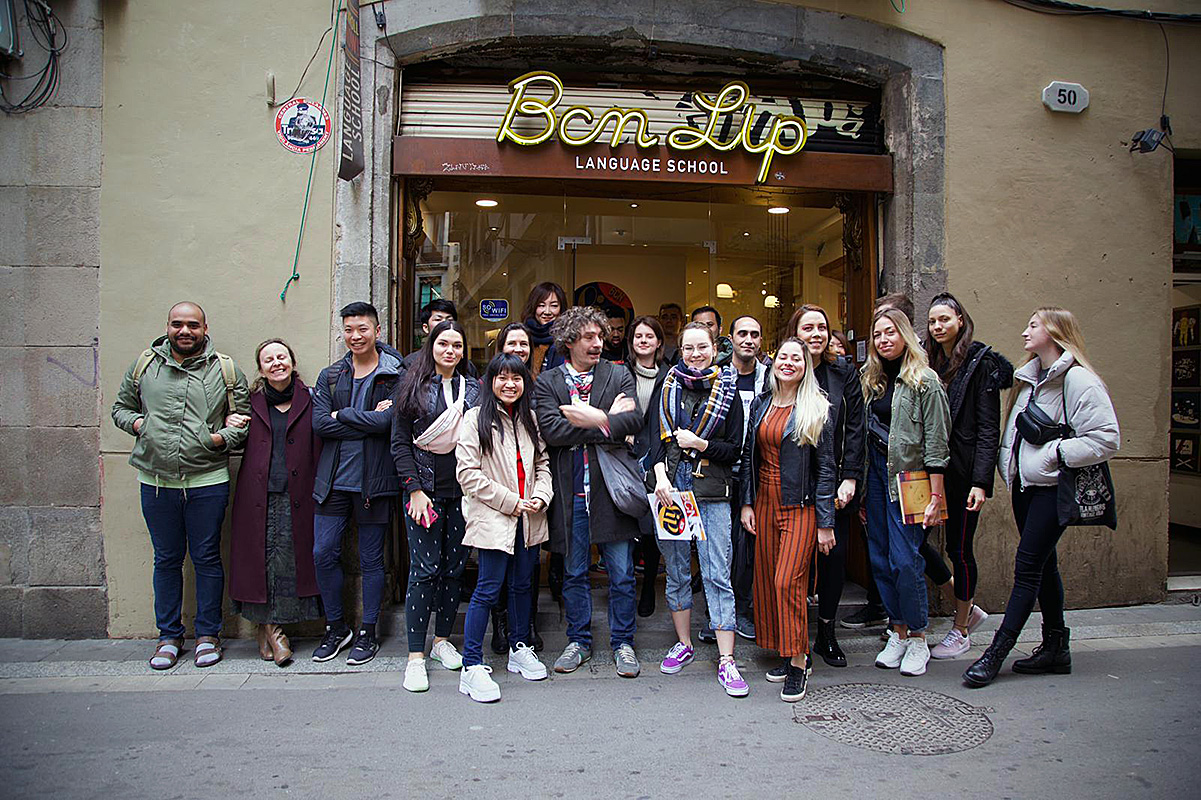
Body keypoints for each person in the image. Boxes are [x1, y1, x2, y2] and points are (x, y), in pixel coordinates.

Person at [964, 307, 1119, 687]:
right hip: (1025, 487)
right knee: (1045, 565)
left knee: (1028, 566)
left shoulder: (1078, 380)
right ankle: (1055, 647)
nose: (1024, 332)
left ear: (1055, 331)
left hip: (1053, 488)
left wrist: (1056, 455)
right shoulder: (1028, 378)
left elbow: (1107, 438)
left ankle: (996, 653)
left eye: (1033, 325)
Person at [111, 302, 250, 670]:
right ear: (168, 327)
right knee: (167, 559)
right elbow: (121, 408)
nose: (184, 331)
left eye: (192, 325)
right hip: (156, 481)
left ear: (205, 328)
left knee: (206, 558)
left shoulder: (224, 369)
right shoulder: (145, 365)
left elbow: (243, 419)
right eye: (177, 324)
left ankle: (208, 635)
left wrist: (217, 439)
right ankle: (169, 636)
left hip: (207, 480)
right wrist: (141, 425)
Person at [534, 306, 644, 678]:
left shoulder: (618, 373)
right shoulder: (548, 382)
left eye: (600, 336)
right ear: (569, 341)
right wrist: (607, 420)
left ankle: (623, 643)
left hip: (611, 491)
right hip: (570, 493)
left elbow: (634, 420)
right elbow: (552, 432)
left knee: (622, 573)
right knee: (574, 572)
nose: (598, 343)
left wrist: (591, 418)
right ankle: (578, 641)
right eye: (589, 337)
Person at [650, 323, 748, 696]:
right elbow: (654, 441)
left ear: (714, 348)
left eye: (702, 347)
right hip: (671, 490)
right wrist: (660, 476)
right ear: (680, 350)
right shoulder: (667, 385)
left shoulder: (728, 389)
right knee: (676, 570)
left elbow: (735, 448)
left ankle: (727, 659)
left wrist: (700, 443)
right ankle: (684, 644)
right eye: (688, 347)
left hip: (712, 491)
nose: (695, 354)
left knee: (716, 572)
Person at [740, 338, 835, 702]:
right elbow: (749, 457)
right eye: (783, 357)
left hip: (800, 505)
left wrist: (825, 522)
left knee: (787, 582)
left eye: (797, 358)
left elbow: (826, 469)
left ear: (806, 366)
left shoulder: (816, 406)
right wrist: (747, 504)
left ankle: (798, 662)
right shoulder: (762, 403)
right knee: (766, 581)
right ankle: (789, 649)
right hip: (764, 502)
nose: (789, 362)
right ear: (774, 362)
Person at [455, 354, 554, 702]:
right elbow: (467, 474)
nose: (509, 384)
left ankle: (519, 647)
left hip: (530, 516)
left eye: (516, 378)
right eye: (502, 377)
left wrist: (541, 495)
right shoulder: (475, 419)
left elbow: (543, 464)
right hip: (495, 517)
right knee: (487, 588)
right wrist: (511, 501)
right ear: (491, 381)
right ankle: (471, 665)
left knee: (522, 586)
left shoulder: (530, 419)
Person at [311, 302, 403, 667]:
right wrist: (366, 420)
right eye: (349, 329)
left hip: (374, 482)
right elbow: (320, 424)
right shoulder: (331, 376)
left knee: (371, 560)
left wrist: (344, 415)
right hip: (333, 481)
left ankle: (368, 631)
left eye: (362, 329)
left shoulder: (394, 374)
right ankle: (336, 627)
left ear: (377, 331)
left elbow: (388, 424)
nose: (355, 336)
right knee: (323, 552)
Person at [922, 293, 1014, 659]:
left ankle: (960, 629)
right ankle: (965, 605)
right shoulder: (929, 361)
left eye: (944, 319)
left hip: (963, 472)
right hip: (930, 471)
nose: (938, 326)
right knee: (913, 543)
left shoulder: (981, 363)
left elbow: (989, 428)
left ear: (960, 320)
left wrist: (981, 482)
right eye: (932, 321)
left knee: (960, 549)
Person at [861, 308, 951, 678]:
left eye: (890, 332)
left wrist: (936, 497)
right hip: (875, 479)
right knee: (880, 559)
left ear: (905, 335)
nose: (883, 340)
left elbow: (938, 443)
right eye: (877, 334)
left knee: (905, 560)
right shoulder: (873, 380)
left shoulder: (925, 380)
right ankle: (897, 631)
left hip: (911, 481)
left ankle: (917, 636)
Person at [392, 319, 481, 692]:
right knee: (424, 570)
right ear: (431, 347)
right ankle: (416, 656)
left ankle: (442, 641)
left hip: (461, 492)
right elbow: (400, 443)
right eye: (444, 343)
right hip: (423, 493)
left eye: (457, 345)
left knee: (454, 570)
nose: (450, 351)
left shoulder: (474, 389)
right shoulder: (412, 386)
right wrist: (413, 489)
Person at [229, 339, 322, 667]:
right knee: (260, 565)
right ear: (261, 369)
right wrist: (230, 425)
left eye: (281, 356)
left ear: (292, 362)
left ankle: (267, 630)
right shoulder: (250, 404)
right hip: (258, 496)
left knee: (288, 566)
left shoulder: (311, 399)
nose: (276, 363)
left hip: (298, 495)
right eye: (268, 360)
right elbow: (231, 441)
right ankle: (275, 632)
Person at [789, 304, 865, 669]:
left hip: (834, 482)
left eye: (821, 327)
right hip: (794, 483)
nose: (816, 334)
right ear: (795, 334)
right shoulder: (785, 369)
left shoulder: (843, 372)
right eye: (808, 328)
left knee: (833, 558)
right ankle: (795, 636)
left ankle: (827, 632)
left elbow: (855, 428)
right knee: (796, 561)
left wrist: (850, 476)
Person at [489, 321, 545, 653]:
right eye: (512, 343)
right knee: (498, 566)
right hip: (499, 496)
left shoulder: (536, 386)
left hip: (530, 492)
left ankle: (527, 624)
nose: (519, 349)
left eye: (524, 344)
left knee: (528, 566)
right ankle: (501, 625)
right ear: (501, 348)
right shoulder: (490, 388)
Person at [728, 314, 771, 639]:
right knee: (720, 547)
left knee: (748, 546)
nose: (749, 340)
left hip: (756, 470)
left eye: (755, 334)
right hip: (720, 469)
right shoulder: (717, 375)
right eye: (742, 333)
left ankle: (743, 610)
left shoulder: (770, 378)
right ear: (730, 338)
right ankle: (720, 615)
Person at [626, 315, 670, 618]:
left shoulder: (669, 375)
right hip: (625, 454)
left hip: (656, 454)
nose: (643, 341)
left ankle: (649, 587)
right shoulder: (620, 372)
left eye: (649, 336)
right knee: (627, 525)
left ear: (659, 342)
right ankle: (627, 585)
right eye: (638, 336)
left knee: (652, 528)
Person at [522, 282, 568, 379]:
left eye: (554, 306)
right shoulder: (523, 337)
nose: (547, 312)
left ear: (561, 308)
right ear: (533, 307)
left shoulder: (569, 339)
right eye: (541, 305)